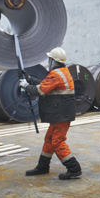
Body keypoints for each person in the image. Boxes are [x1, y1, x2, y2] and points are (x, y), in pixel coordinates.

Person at [18, 47, 82, 180]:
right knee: (49, 139)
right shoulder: (63, 72)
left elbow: (40, 90)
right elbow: (45, 85)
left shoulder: (56, 74)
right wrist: (29, 79)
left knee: (57, 142)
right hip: (61, 114)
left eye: (50, 59)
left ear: (53, 60)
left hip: (60, 115)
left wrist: (25, 85)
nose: (48, 61)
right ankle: (43, 166)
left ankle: (74, 168)